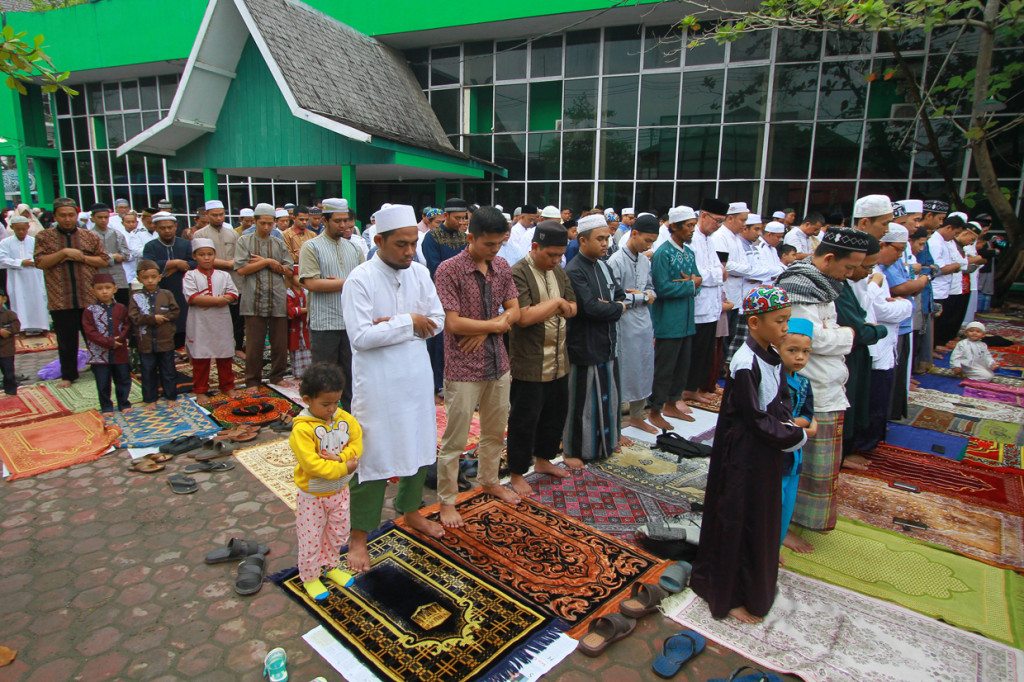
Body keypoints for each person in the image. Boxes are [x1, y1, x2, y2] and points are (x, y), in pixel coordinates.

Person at [690, 285, 808, 624]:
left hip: (764, 451)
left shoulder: (770, 355)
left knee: (759, 518)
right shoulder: (745, 363)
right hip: (743, 455)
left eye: (787, 320)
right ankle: (728, 595)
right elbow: (754, 417)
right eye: (779, 321)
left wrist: (787, 423)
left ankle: (752, 588)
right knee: (738, 520)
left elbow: (779, 400)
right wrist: (794, 434)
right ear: (755, 322)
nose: (785, 328)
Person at [341, 204, 446, 573]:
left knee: (417, 446)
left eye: (413, 243)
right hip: (378, 385)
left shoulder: (420, 272)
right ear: (379, 240)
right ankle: (358, 535)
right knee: (373, 456)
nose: (409, 251)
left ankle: (411, 511)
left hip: (416, 379)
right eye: (401, 244)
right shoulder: (360, 279)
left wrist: (393, 324)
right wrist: (409, 322)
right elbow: (361, 337)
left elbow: (437, 321)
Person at [776, 227, 869, 533]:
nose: (850, 274)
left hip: (827, 382)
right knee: (799, 465)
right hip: (808, 385)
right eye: (849, 267)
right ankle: (786, 524)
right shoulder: (799, 286)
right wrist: (847, 335)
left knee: (820, 465)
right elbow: (808, 339)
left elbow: (825, 332)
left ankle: (797, 521)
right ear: (829, 258)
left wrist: (837, 334)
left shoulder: (821, 284)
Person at [434, 206, 521, 528]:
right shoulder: (449, 270)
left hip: (498, 362)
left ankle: (489, 480)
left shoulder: (502, 266)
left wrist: (487, 328)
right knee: (455, 440)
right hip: (463, 367)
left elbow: (515, 311)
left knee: (495, 432)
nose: (495, 250)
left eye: (499, 243)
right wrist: (496, 324)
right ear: (471, 238)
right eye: (489, 244)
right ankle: (447, 500)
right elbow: (453, 323)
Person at [506, 221, 577, 498]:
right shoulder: (518, 272)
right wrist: (557, 304)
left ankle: (544, 460)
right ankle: (516, 472)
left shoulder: (558, 271)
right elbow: (523, 317)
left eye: (560, 255)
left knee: (555, 414)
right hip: (529, 361)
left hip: (559, 358)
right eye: (551, 255)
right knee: (524, 420)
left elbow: (574, 308)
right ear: (535, 247)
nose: (557, 260)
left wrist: (551, 308)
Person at [289, 362, 361, 600]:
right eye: (325, 404)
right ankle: (310, 577)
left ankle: (330, 566)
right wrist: (343, 467)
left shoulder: (343, 419)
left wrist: (341, 458)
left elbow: (357, 442)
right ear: (307, 400)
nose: (332, 409)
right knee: (311, 538)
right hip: (313, 496)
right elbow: (313, 466)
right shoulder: (302, 430)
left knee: (337, 532)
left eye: (336, 402)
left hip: (340, 491)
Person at [563, 213, 626, 464]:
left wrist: (610, 306)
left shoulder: (604, 265)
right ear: (582, 240)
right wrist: (615, 308)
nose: (605, 243)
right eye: (600, 239)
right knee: (582, 404)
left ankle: (607, 444)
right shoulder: (574, 270)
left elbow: (619, 296)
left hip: (607, 342)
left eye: (607, 239)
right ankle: (576, 450)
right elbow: (590, 308)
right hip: (585, 345)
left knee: (608, 398)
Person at [35, 197, 110, 387]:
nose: (67, 219)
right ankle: (68, 375)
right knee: (66, 339)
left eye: (71, 215)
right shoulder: (44, 237)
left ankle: (100, 369)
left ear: (76, 215)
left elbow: (103, 260)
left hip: (88, 295)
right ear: (55, 216)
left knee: (94, 336)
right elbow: (40, 262)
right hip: (60, 297)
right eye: (63, 215)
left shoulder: (89, 236)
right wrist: (63, 253)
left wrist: (81, 257)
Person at [297, 198, 365, 410]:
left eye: (346, 220)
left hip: (351, 322)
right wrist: (348, 283)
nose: (343, 225)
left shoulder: (354, 248)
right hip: (324, 322)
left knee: (352, 375)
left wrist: (341, 283)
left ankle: (350, 417)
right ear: (325, 221)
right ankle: (322, 417)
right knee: (324, 376)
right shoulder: (311, 247)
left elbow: (365, 281)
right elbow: (311, 283)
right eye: (337, 221)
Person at [835, 234, 887, 467]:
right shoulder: (832, 285)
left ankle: (843, 455)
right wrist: (878, 330)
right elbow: (855, 330)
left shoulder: (844, 282)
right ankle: (839, 458)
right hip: (844, 356)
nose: (867, 273)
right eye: (865, 267)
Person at [648, 206, 701, 430]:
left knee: (682, 367)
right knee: (664, 368)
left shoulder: (689, 253)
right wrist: (690, 285)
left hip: (686, 320)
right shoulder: (663, 254)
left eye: (694, 225)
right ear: (675, 226)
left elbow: (698, 281)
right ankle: (655, 410)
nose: (692, 230)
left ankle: (671, 404)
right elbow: (662, 288)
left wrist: (691, 284)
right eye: (689, 226)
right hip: (668, 321)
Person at [609, 213, 659, 433]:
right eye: (647, 240)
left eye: (652, 242)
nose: (649, 246)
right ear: (634, 233)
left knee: (643, 370)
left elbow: (652, 290)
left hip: (644, 324)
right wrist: (643, 297)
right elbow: (615, 298)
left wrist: (645, 296)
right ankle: (615, 424)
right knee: (623, 372)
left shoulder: (645, 260)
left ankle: (637, 417)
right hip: (625, 325)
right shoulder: (616, 261)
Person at [234, 203, 293, 390]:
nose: (266, 227)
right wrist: (267, 262)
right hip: (253, 297)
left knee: (279, 343)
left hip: (277, 297)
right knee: (254, 344)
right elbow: (241, 269)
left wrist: (270, 263)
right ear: (255, 221)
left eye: (270, 223)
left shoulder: (278, 243)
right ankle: (252, 380)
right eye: (262, 223)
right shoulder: (244, 241)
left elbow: (289, 270)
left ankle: (277, 376)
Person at [422, 198, 470, 400]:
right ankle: (438, 382)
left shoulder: (464, 237)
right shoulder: (431, 237)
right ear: (445, 215)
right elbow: (435, 268)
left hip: (464, 295)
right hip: (440, 296)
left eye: (463, 218)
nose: (460, 222)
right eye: (456, 218)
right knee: (440, 341)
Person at [777, 318, 816, 555]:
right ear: (778, 348)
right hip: (776, 451)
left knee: (787, 503)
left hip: (795, 454)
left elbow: (808, 415)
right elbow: (776, 420)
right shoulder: (774, 380)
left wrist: (797, 425)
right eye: (792, 350)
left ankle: (776, 543)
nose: (800, 357)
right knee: (773, 502)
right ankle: (764, 547)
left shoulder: (803, 383)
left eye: (805, 352)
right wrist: (801, 426)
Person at [183, 238, 239, 404]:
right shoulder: (190, 276)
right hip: (200, 322)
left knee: (225, 353)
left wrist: (218, 300)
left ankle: (227, 385)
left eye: (209, 254)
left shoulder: (223, 275)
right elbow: (193, 297)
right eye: (202, 254)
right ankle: (200, 390)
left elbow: (233, 293)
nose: (206, 258)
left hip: (221, 320)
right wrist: (218, 300)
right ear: (195, 256)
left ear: (215, 255)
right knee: (201, 356)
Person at [686, 198, 727, 405]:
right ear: (704, 215)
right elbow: (695, 275)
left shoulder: (710, 240)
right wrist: (718, 274)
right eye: (717, 221)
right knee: (693, 352)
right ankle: (685, 390)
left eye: (721, 222)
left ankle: (695, 388)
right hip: (698, 306)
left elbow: (719, 269)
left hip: (712, 306)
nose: (718, 226)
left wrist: (717, 273)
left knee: (705, 353)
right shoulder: (691, 239)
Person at [128, 260, 180, 408]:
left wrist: (164, 318)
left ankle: (171, 396)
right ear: (139, 279)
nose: (150, 280)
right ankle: (150, 399)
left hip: (165, 340)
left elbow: (175, 312)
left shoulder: (166, 294)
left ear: (159, 277)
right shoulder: (135, 297)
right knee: (148, 371)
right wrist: (152, 319)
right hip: (146, 342)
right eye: (145, 278)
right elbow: (134, 317)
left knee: (168, 370)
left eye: (153, 277)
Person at [193, 200, 244, 352]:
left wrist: (232, 263)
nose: (218, 218)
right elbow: (202, 258)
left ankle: (237, 348)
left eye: (221, 214)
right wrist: (227, 264)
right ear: (206, 214)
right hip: (211, 280)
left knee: (237, 317)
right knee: (214, 317)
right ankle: (215, 348)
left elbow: (240, 257)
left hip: (234, 280)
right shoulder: (200, 234)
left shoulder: (233, 233)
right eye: (214, 215)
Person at [143, 211, 194, 348]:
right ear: (155, 228)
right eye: (162, 228)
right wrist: (174, 263)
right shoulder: (151, 246)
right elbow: (149, 265)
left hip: (182, 287)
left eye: (170, 227)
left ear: (175, 226)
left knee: (185, 320)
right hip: (161, 288)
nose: (167, 231)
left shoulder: (185, 244)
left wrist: (177, 267)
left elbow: (194, 262)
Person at [82, 273, 132, 413]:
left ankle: (124, 403)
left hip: (119, 351)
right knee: (103, 381)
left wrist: (119, 340)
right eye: (99, 288)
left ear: (115, 289)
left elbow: (127, 326)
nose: (104, 291)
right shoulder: (89, 311)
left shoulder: (121, 308)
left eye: (107, 288)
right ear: (92, 290)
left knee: (123, 378)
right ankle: (106, 406)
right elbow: (90, 331)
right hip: (99, 354)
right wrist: (109, 342)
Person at [0, 215, 48, 332]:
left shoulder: (35, 241)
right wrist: (21, 262)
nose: (21, 232)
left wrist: (33, 262)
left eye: (23, 229)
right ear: (12, 228)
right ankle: (21, 329)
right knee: (19, 301)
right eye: (18, 229)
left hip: (35, 277)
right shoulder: (5, 243)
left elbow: (43, 256)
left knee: (39, 300)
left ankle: (43, 327)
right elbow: (2, 259)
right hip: (17, 278)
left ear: (28, 227)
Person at [89, 203, 132, 307]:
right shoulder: (88, 235)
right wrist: (113, 257)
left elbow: (126, 255)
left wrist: (104, 258)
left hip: (118, 277)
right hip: (98, 275)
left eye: (106, 217)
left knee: (123, 306)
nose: (103, 220)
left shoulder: (117, 234)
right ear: (93, 218)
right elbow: (88, 257)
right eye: (100, 217)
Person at [286, 266, 312, 380]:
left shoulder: (306, 292)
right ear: (290, 278)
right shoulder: (289, 293)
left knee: (308, 349)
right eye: (297, 276)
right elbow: (291, 311)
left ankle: (309, 373)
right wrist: (307, 310)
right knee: (296, 350)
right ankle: (298, 374)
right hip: (295, 327)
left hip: (305, 327)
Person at [0, 290, 20, 395]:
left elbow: (16, 327)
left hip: (6, 350)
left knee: (8, 373)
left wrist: (8, 331)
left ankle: (11, 392)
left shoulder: (10, 314)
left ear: (4, 299)